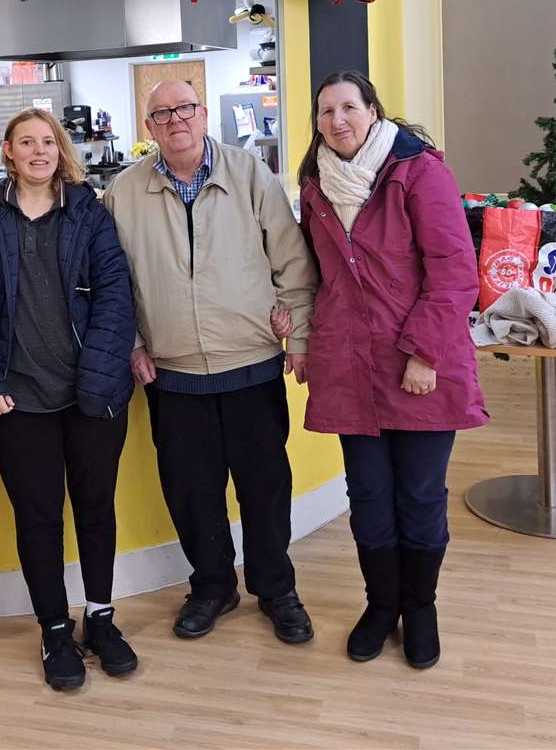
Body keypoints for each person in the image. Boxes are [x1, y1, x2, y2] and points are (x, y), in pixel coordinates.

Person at [104, 79, 318, 644]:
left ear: (203, 115)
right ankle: (212, 587)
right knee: (191, 489)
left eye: (185, 109)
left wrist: (298, 337)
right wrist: (129, 343)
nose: (175, 120)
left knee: (264, 485)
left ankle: (277, 589)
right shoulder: (124, 192)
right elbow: (112, 283)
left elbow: (292, 262)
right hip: (172, 373)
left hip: (250, 362)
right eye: (161, 114)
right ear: (148, 128)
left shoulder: (251, 175)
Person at [295, 71, 488, 671]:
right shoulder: (314, 186)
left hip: (419, 364)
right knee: (370, 497)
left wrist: (425, 354)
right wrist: (301, 329)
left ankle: (420, 608)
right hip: (349, 365)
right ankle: (381, 606)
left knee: (421, 496)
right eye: (326, 111)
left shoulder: (420, 172)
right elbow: (316, 273)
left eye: (348, 107)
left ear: (373, 111)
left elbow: (456, 271)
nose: (337, 120)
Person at [0, 108, 138, 691]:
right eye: (26, 142)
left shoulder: (89, 212)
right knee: (38, 520)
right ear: (7, 151)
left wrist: (99, 377)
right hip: (18, 402)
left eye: (48, 142)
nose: (39, 151)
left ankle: (102, 619)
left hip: (93, 396)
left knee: (95, 508)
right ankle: (55, 628)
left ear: (61, 150)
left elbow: (116, 298)